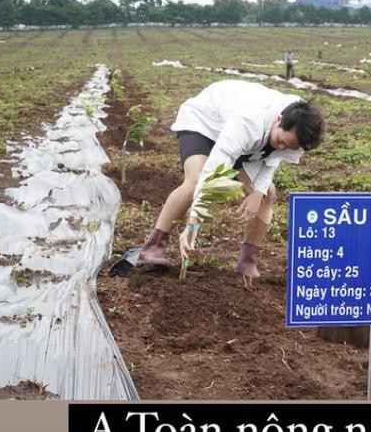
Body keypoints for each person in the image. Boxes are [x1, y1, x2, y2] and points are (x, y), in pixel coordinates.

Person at [139, 80, 324, 284]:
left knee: (267, 194)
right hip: (205, 122)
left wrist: (257, 193)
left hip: (246, 143)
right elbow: (213, 174)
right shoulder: (248, 123)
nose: (281, 147)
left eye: (287, 147)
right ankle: (154, 246)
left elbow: (272, 160)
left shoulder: (299, 130)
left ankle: (247, 261)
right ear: (279, 119)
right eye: (281, 141)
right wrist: (194, 224)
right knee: (195, 181)